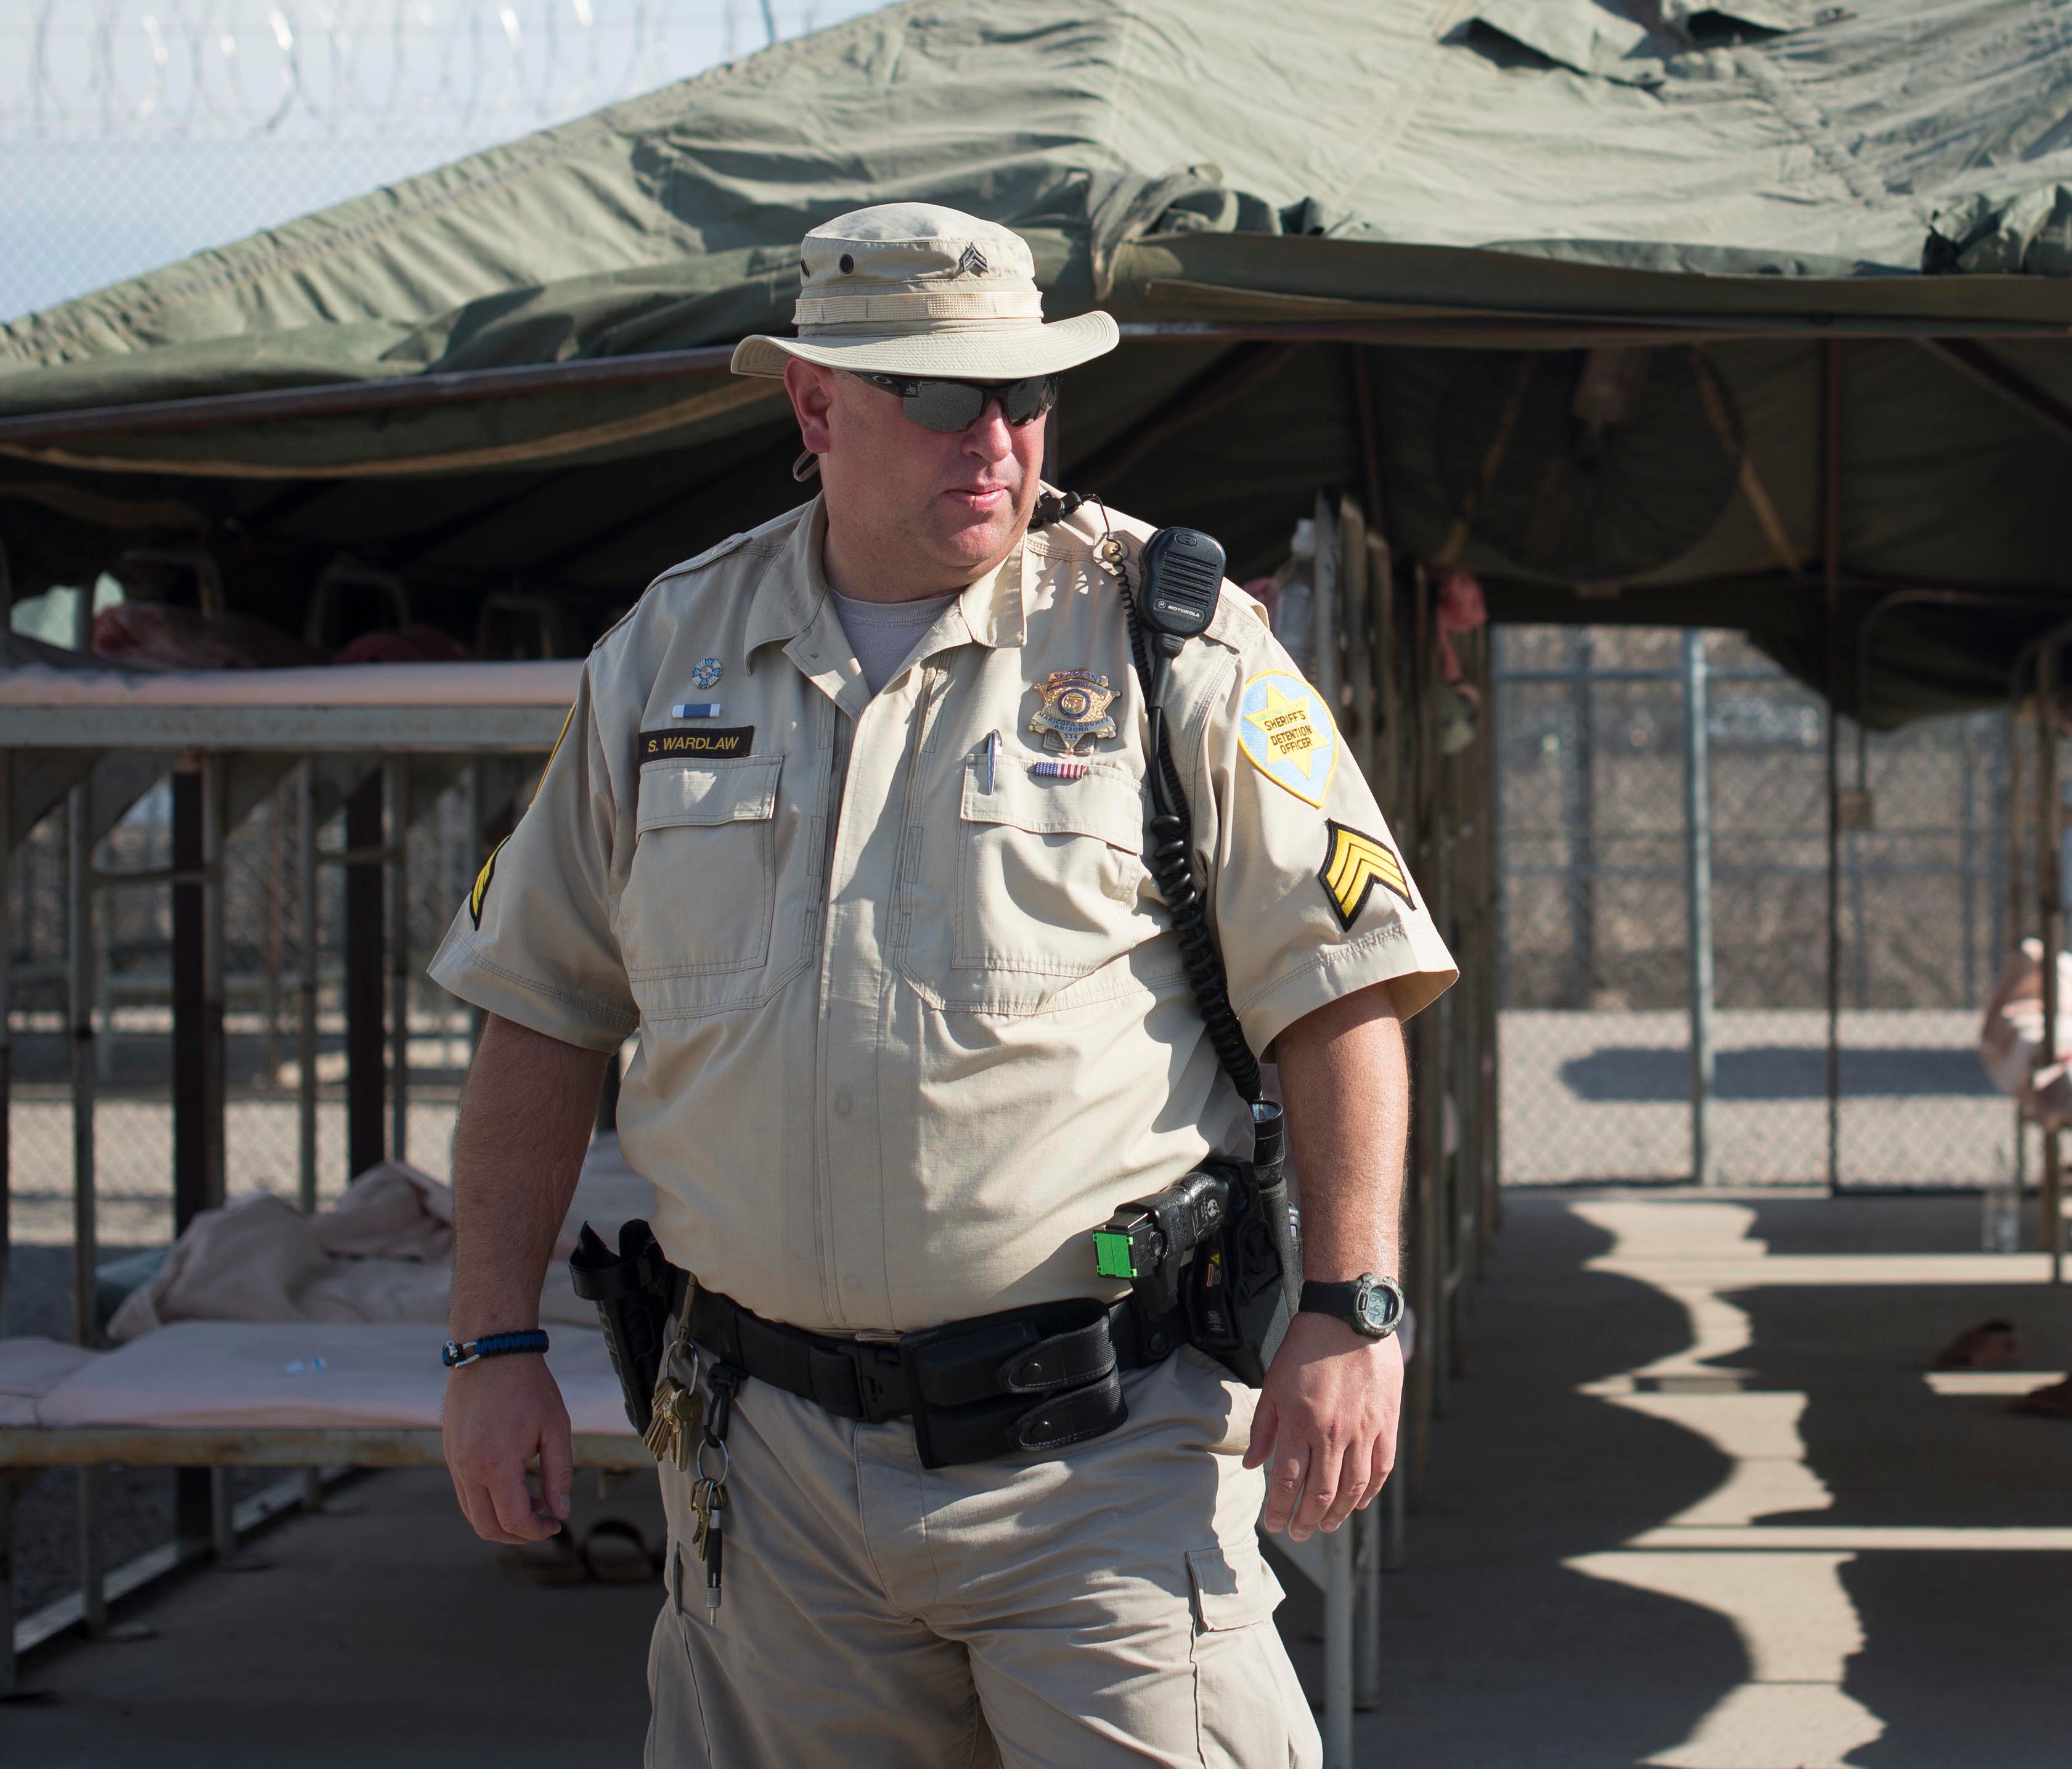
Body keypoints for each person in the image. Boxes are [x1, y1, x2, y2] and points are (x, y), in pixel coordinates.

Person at [427, 202, 1454, 1767]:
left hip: (1098, 1467)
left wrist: (1354, 1304)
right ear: (814, 404)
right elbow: (542, 1008)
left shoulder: (1167, 640)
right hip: (768, 1482)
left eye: (1024, 392)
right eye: (936, 392)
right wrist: (490, 1343)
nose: (993, 435)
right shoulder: (667, 652)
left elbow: (1341, 990)